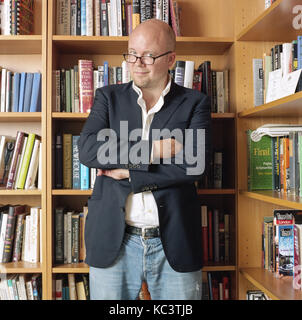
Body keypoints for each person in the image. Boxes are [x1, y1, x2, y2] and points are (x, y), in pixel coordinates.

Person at [78, 18, 211, 300]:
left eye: (149, 55)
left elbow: (196, 163)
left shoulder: (195, 103)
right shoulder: (107, 97)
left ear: (171, 59)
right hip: (114, 238)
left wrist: (130, 171)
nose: (137, 63)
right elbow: (89, 150)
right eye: (131, 54)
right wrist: (156, 150)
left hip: (174, 239)